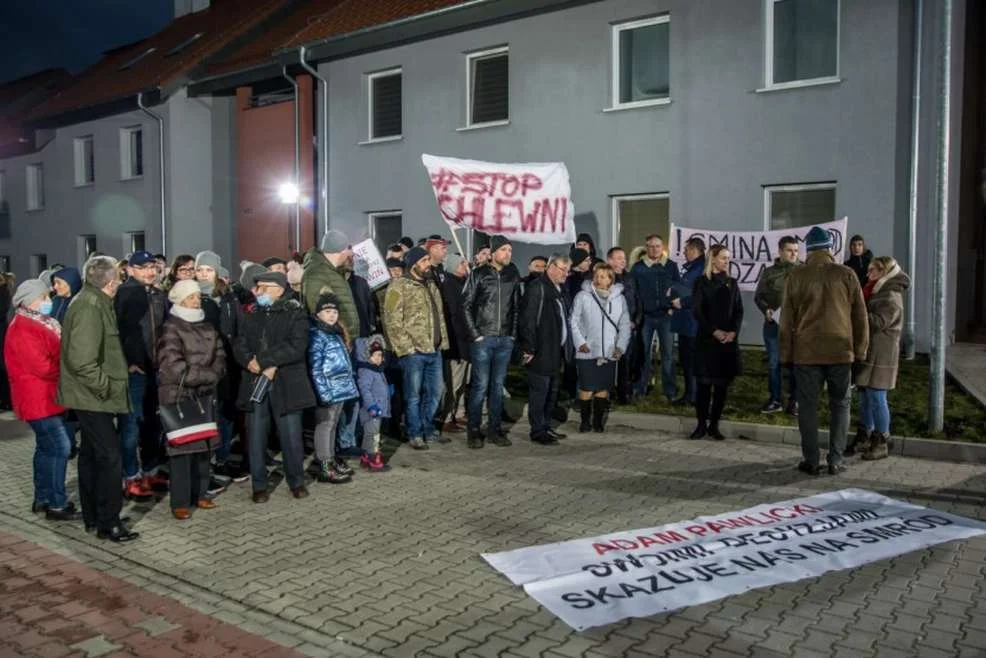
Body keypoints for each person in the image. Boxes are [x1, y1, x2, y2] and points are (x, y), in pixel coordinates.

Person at [59, 256, 137, 542]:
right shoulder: (90, 307)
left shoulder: (91, 302)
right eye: (118, 277)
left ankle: (96, 517)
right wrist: (105, 388)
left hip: (91, 395)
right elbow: (81, 360)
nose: (119, 282)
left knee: (92, 455)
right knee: (109, 457)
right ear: (110, 281)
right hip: (93, 396)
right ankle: (109, 522)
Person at [780, 226, 869, 476]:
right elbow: (860, 317)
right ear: (830, 249)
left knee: (807, 407)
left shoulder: (796, 276)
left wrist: (785, 355)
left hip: (806, 353)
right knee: (841, 404)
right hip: (841, 351)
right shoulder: (847, 274)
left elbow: (786, 321)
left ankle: (811, 460)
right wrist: (860, 351)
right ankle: (836, 460)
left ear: (808, 250)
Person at [234, 271, 315, 502]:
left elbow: (296, 346)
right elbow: (239, 342)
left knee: (291, 435)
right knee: (256, 435)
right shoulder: (250, 312)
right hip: (255, 380)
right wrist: (250, 361)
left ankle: (296, 481)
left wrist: (266, 361)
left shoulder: (294, 312)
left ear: (279, 289)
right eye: (257, 287)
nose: (258, 292)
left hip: (286, 382)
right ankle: (258, 485)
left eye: (263, 287)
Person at [6, 279, 79, 521]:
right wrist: (66, 366)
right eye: (43, 298)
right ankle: (57, 503)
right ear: (29, 301)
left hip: (45, 396)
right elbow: (41, 366)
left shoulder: (37, 322)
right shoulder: (24, 328)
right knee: (60, 447)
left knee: (46, 448)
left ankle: (43, 497)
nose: (48, 301)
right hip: (38, 397)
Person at [157, 280, 226, 520]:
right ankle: (180, 501)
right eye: (192, 297)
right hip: (179, 395)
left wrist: (213, 374)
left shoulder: (207, 324)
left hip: (205, 394)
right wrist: (206, 376)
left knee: (204, 449)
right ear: (180, 299)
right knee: (182, 450)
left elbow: (219, 354)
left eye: (198, 296)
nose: (197, 300)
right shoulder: (171, 327)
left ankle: (201, 493)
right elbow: (172, 365)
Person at [382, 246, 448, 450]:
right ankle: (415, 432)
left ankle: (427, 427)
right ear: (413, 263)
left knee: (436, 392)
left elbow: (439, 316)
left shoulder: (431, 285)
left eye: (428, 260)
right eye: (424, 260)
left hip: (433, 349)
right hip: (414, 352)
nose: (428, 264)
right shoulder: (398, 286)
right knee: (413, 395)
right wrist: (407, 348)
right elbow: (392, 319)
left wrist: (442, 341)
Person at [115, 250, 168, 500]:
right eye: (143, 267)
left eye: (152, 266)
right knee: (130, 426)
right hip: (134, 371)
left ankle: (150, 471)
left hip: (157, 369)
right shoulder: (123, 294)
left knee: (152, 423)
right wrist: (127, 361)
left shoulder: (159, 294)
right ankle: (130, 476)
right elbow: (115, 332)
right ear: (131, 270)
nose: (149, 271)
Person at [462, 236, 521, 448]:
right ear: (493, 252)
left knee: (497, 386)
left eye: (510, 250)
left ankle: (495, 429)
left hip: (504, 339)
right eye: (504, 250)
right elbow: (466, 305)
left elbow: (516, 307)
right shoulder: (478, 274)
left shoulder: (512, 274)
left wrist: (512, 334)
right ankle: (474, 430)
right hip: (483, 338)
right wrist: (476, 335)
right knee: (480, 385)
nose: (508, 254)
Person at [849, 256, 910, 461]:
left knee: (877, 396)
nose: (868, 274)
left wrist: (858, 310)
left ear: (884, 272)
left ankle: (882, 440)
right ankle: (865, 434)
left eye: (873, 270)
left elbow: (878, 322)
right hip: (869, 353)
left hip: (882, 354)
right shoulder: (875, 290)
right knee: (865, 395)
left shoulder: (890, 295)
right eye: (868, 270)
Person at [195, 251, 246, 482]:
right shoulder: (191, 297)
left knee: (226, 413)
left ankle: (222, 459)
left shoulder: (228, 297)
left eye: (208, 270)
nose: (204, 274)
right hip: (204, 367)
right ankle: (207, 464)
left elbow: (238, 328)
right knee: (206, 415)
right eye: (200, 270)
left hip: (229, 364)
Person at [690, 246, 743, 440]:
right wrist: (714, 331)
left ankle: (714, 425)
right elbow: (697, 311)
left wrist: (733, 332)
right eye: (723, 258)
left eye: (728, 258)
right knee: (704, 386)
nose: (726, 261)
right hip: (707, 341)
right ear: (712, 259)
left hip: (726, 343)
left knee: (721, 387)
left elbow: (738, 310)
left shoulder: (732, 283)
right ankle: (701, 424)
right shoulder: (701, 282)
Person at [570, 263, 631, 433]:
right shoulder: (583, 296)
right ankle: (584, 421)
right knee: (586, 387)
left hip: (609, 350)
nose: (598, 279)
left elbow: (625, 324)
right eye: (596, 275)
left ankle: (597, 421)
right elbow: (573, 320)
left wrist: (620, 346)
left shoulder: (619, 298)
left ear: (611, 280)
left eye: (603, 276)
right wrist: (580, 342)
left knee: (603, 387)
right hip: (587, 349)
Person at [519, 254, 572, 445]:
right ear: (551, 267)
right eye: (562, 269)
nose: (566, 273)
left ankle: (546, 426)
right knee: (540, 392)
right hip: (540, 350)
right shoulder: (537, 288)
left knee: (551, 392)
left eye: (568, 270)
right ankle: (537, 430)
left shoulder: (559, 289)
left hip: (555, 350)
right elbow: (528, 321)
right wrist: (529, 348)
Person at [308, 293, 359, 484]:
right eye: (327, 311)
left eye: (335, 311)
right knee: (325, 426)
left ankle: (329, 458)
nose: (332, 315)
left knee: (333, 425)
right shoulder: (317, 335)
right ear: (318, 313)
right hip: (328, 390)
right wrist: (323, 392)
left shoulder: (335, 332)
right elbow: (315, 368)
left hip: (340, 389)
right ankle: (324, 463)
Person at [754, 236, 800, 415]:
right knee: (774, 363)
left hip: (797, 327)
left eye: (796, 251)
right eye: (789, 250)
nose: (793, 254)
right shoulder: (769, 272)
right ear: (780, 251)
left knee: (796, 363)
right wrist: (766, 310)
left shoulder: (803, 271)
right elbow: (759, 297)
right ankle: (775, 399)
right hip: (773, 325)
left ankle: (794, 400)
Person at [630, 235, 680, 402]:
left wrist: (673, 307)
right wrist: (637, 313)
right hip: (646, 317)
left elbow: (678, 287)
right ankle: (641, 387)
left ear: (662, 247)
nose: (654, 249)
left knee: (668, 355)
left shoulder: (671, 266)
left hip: (666, 316)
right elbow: (633, 292)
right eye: (651, 246)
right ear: (646, 247)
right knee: (643, 354)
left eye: (657, 246)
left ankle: (669, 391)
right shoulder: (638, 268)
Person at [302, 229, 359, 337]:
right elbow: (316, 311)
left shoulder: (335, 272)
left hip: (343, 339)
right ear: (340, 250)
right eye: (348, 248)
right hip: (332, 342)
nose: (351, 253)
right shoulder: (316, 273)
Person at [670, 237, 707, 406]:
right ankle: (691, 394)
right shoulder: (694, 268)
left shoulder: (700, 269)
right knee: (686, 361)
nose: (684, 253)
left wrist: (682, 302)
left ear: (694, 250)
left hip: (692, 323)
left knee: (690, 361)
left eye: (686, 250)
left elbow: (701, 295)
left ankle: (692, 396)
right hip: (687, 322)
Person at [437, 253, 470, 433]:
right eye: (461, 263)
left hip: (464, 342)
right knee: (453, 383)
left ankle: (458, 412)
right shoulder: (450, 285)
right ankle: (447, 416)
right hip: (456, 343)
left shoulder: (462, 283)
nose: (465, 266)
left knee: (463, 382)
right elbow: (456, 315)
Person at [607, 247, 641, 405]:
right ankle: (606, 393)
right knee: (608, 361)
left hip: (628, 328)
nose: (623, 261)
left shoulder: (630, 278)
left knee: (626, 362)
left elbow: (637, 301)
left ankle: (624, 394)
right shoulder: (604, 277)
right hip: (609, 328)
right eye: (619, 258)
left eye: (624, 258)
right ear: (610, 260)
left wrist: (636, 321)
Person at [355, 335, 391, 472]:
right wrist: (371, 406)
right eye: (374, 355)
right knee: (373, 435)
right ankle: (373, 457)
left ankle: (365, 455)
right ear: (366, 356)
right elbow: (365, 390)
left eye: (380, 355)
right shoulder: (366, 371)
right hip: (372, 410)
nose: (378, 358)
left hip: (379, 409)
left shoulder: (377, 371)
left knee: (371, 434)